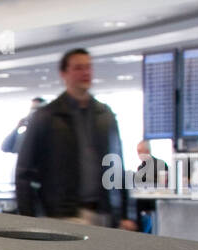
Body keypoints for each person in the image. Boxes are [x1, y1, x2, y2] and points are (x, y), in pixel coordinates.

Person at [15, 49, 135, 228]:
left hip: (104, 214)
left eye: (88, 67)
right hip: (62, 215)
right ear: (64, 73)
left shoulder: (105, 115)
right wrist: (29, 219)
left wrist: (126, 213)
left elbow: (117, 165)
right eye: (78, 68)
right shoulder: (47, 116)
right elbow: (24, 172)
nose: (85, 73)